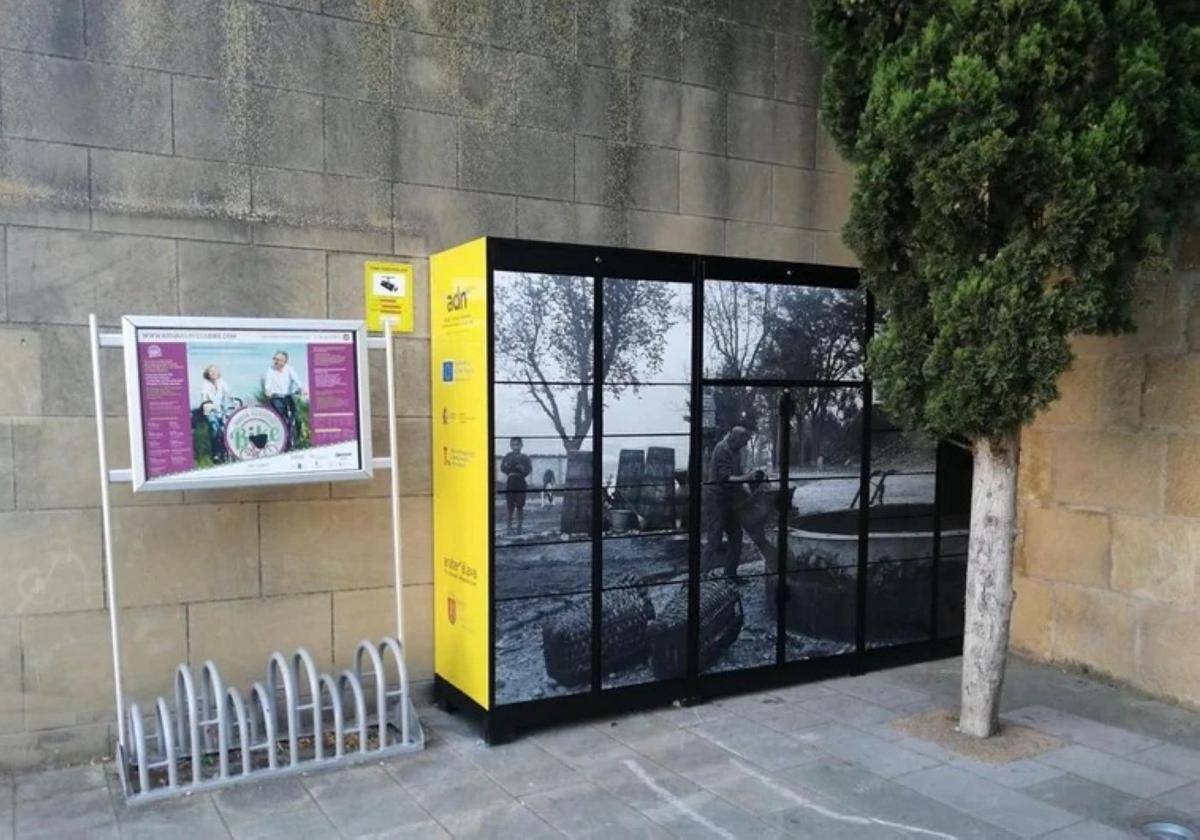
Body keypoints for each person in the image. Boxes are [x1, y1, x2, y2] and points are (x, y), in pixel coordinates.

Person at [702, 425, 758, 583]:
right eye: (743, 441)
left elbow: (739, 477)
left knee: (736, 536)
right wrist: (748, 477)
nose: (745, 445)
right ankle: (700, 577)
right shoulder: (722, 449)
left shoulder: (736, 451)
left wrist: (750, 494)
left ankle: (730, 574)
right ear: (735, 438)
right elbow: (725, 478)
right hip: (716, 500)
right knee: (714, 539)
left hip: (729, 499)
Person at [263, 350, 306, 449]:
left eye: (277, 359)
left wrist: (301, 388)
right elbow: (268, 383)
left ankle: (296, 439)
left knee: (297, 418)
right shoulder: (270, 370)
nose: (275, 361)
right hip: (276, 397)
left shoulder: (289, 369)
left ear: (284, 361)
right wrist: (267, 390)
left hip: (288, 396)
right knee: (282, 418)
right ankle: (283, 442)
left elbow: (297, 380)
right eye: (274, 359)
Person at [199, 365, 238, 463]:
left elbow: (228, 393)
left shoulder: (222, 382)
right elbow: (204, 395)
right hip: (210, 410)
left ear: (218, 373)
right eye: (211, 372)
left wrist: (234, 400)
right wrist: (206, 403)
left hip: (221, 410)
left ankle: (228, 451)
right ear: (208, 374)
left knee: (226, 429)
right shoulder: (205, 384)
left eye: (215, 371)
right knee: (214, 428)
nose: (213, 373)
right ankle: (215, 453)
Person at [500, 437, 533, 534]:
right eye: (513, 444)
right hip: (511, 481)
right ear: (510, 446)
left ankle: (519, 527)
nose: (515, 447)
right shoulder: (508, 456)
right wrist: (508, 465)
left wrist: (521, 467)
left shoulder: (525, 457)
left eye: (517, 444)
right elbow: (502, 468)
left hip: (520, 482)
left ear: (521, 445)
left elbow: (529, 470)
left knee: (520, 506)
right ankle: (509, 528)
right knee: (510, 506)